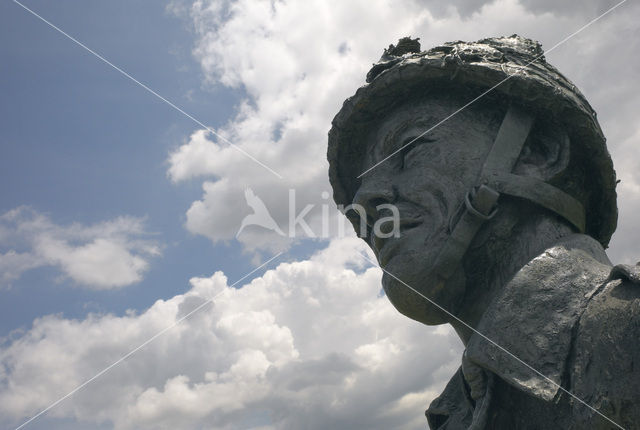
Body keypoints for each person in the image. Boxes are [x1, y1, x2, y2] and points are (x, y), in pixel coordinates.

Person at [327, 35, 639, 429]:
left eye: (409, 149)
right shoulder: (455, 414)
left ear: (536, 151)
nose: (364, 201)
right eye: (358, 188)